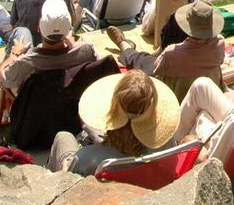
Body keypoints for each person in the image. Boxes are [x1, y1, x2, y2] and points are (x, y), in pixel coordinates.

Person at [47, 70, 180, 176]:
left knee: (63, 137)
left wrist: (65, 176)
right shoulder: (166, 146)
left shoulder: (87, 159)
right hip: (145, 193)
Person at [107, 0, 227, 100]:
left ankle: (124, 45)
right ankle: (130, 48)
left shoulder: (172, 54)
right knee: (147, 58)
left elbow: (156, 74)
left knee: (138, 60)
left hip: (175, 95)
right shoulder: (219, 43)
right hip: (202, 91)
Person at [0, 0, 96, 97]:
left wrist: (15, 54)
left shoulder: (25, 64)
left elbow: (2, 75)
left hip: (36, 108)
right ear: (69, 30)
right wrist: (73, 45)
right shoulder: (87, 51)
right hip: (71, 104)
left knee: (22, 32)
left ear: (39, 27)